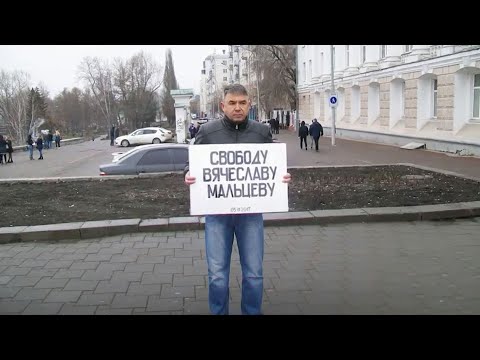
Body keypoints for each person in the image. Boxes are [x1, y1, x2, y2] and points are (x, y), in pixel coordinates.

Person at [184, 84, 292, 315]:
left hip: (250, 215)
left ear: (249, 104)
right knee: (217, 277)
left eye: (242, 103)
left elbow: (270, 165)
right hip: (217, 214)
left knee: (254, 275)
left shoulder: (261, 132)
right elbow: (191, 163)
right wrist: (188, 174)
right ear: (223, 105)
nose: (237, 108)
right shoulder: (207, 132)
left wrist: (281, 176)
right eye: (232, 103)